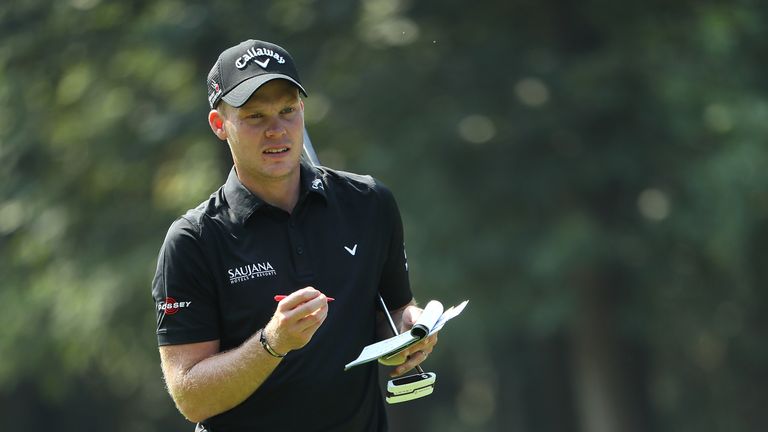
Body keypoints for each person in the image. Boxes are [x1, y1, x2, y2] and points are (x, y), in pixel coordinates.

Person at [151, 39, 437, 431]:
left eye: (287, 111)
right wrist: (273, 343)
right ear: (220, 125)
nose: (277, 130)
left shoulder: (368, 203)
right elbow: (191, 397)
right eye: (255, 116)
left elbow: (390, 311)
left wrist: (411, 330)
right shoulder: (194, 240)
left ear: (303, 109)